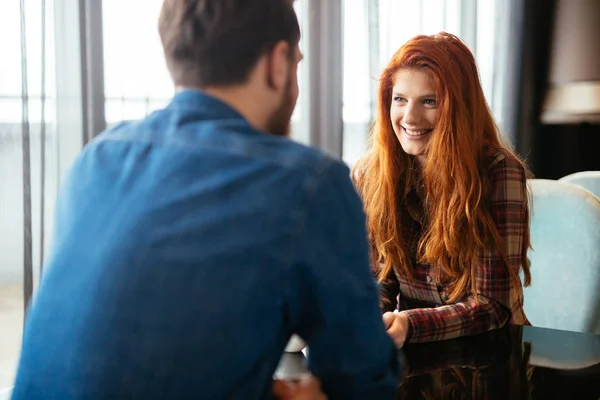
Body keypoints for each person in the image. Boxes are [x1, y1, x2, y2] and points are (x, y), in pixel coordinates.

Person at [11, 0, 400, 399]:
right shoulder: (309, 184)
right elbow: (364, 381)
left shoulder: (96, 159)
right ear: (278, 63)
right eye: (297, 63)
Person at [352, 32, 532, 348]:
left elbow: (492, 306)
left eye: (430, 101)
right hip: (415, 356)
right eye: (400, 99)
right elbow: (378, 282)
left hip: (491, 356)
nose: (409, 117)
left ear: (458, 108)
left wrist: (410, 324)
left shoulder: (498, 172)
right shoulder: (370, 174)